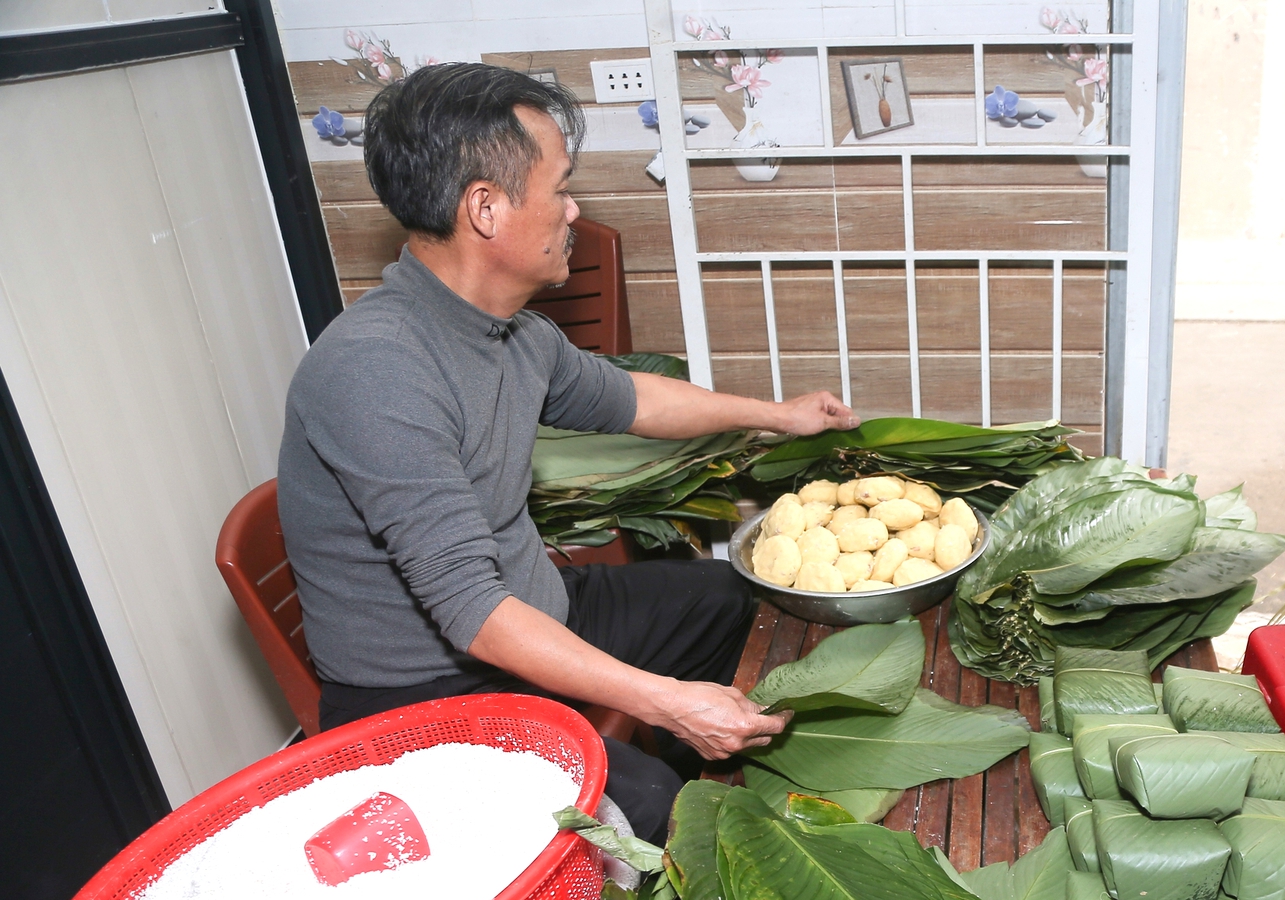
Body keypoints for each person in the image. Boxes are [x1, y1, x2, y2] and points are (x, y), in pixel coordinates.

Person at [277, 63, 858, 840]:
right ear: (486, 208)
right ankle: (683, 821)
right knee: (648, 810)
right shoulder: (374, 370)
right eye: (559, 187)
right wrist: (665, 699)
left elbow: (636, 400)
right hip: (427, 690)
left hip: (529, 608)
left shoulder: (513, 330)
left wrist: (779, 416)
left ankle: (710, 769)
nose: (573, 209)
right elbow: (472, 612)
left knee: (720, 596)